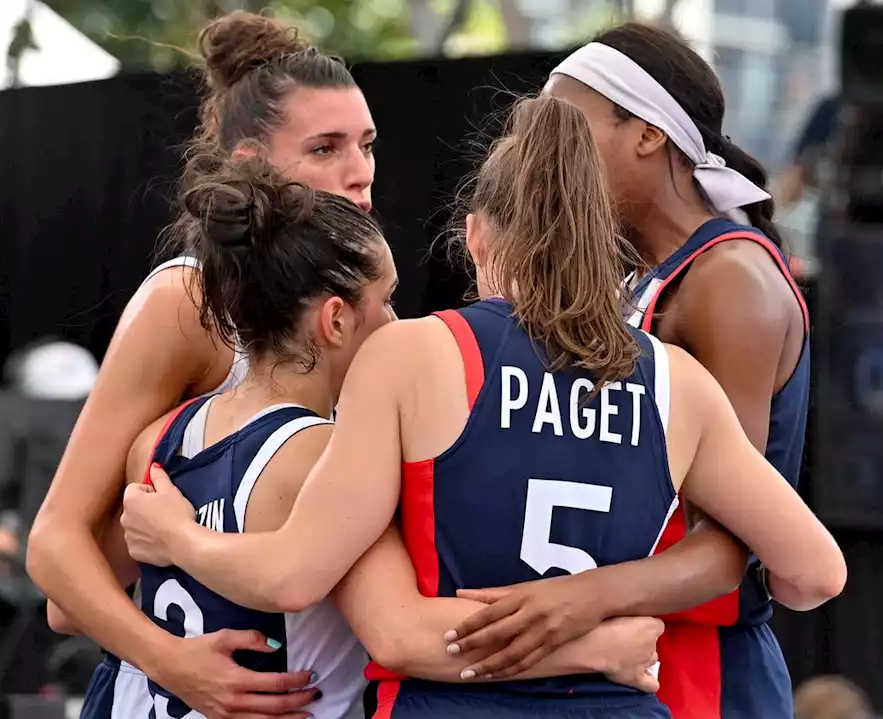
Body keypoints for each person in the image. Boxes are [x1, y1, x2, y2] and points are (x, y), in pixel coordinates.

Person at [118, 94, 846, 718]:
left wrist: (180, 539)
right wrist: (605, 603)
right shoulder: (677, 381)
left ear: (474, 236)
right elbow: (815, 573)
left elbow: (299, 578)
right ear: (605, 241)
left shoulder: (414, 356)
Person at [110, 153, 665, 718]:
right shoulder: (325, 456)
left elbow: (74, 603)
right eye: (388, 300)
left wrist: (173, 586)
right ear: (335, 320)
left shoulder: (156, 441)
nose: (397, 323)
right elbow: (407, 634)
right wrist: (593, 648)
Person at [445, 23, 813, 719]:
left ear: (647, 134)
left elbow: (728, 545)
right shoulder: (637, 280)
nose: (543, 157)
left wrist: (577, 594)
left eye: (568, 127)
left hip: (706, 662)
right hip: (630, 644)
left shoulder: (729, 279)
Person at [27, 10, 377, 717]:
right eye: (325, 147)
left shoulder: (361, 306)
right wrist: (172, 661)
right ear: (250, 165)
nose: (359, 171)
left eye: (367, 143)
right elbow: (58, 548)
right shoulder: (189, 302)